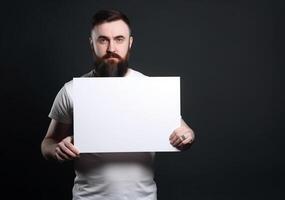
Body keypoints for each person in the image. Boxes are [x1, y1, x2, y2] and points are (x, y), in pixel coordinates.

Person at [41, 9, 195, 200]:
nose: (111, 48)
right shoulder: (72, 90)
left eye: (119, 39)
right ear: (92, 43)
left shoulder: (151, 89)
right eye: (103, 39)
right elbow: (47, 143)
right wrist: (56, 150)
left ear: (130, 43)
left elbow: (185, 133)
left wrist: (188, 136)